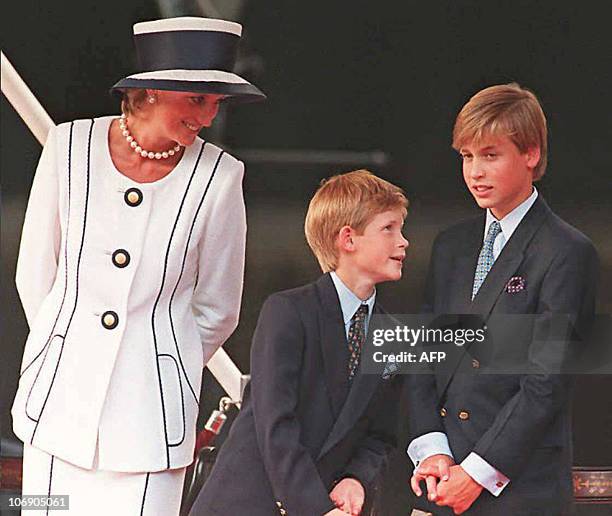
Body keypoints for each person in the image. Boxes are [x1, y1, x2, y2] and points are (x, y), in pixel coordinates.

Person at [11, 16, 265, 516]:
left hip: (151, 427)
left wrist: (158, 368)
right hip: (56, 410)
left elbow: (218, 308)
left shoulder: (220, 177)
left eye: (216, 102)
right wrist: (66, 350)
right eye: (197, 99)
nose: (209, 117)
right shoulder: (68, 148)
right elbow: (34, 274)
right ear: (149, 91)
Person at [406, 83, 599, 514]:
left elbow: (545, 383)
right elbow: (424, 358)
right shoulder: (450, 245)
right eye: (467, 157)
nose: (475, 172)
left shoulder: (567, 251)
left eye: (490, 156)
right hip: (440, 481)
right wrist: (433, 451)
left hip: (520, 491)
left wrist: (475, 474)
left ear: (530, 154)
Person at [188, 170, 408, 516]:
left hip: (331, 505)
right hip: (250, 503)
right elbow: (276, 423)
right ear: (347, 239)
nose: (403, 241)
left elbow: (380, 435)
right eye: (389, 228)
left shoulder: (393, 335)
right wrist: (313, 507)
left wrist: (356, 478)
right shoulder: (288, 311)